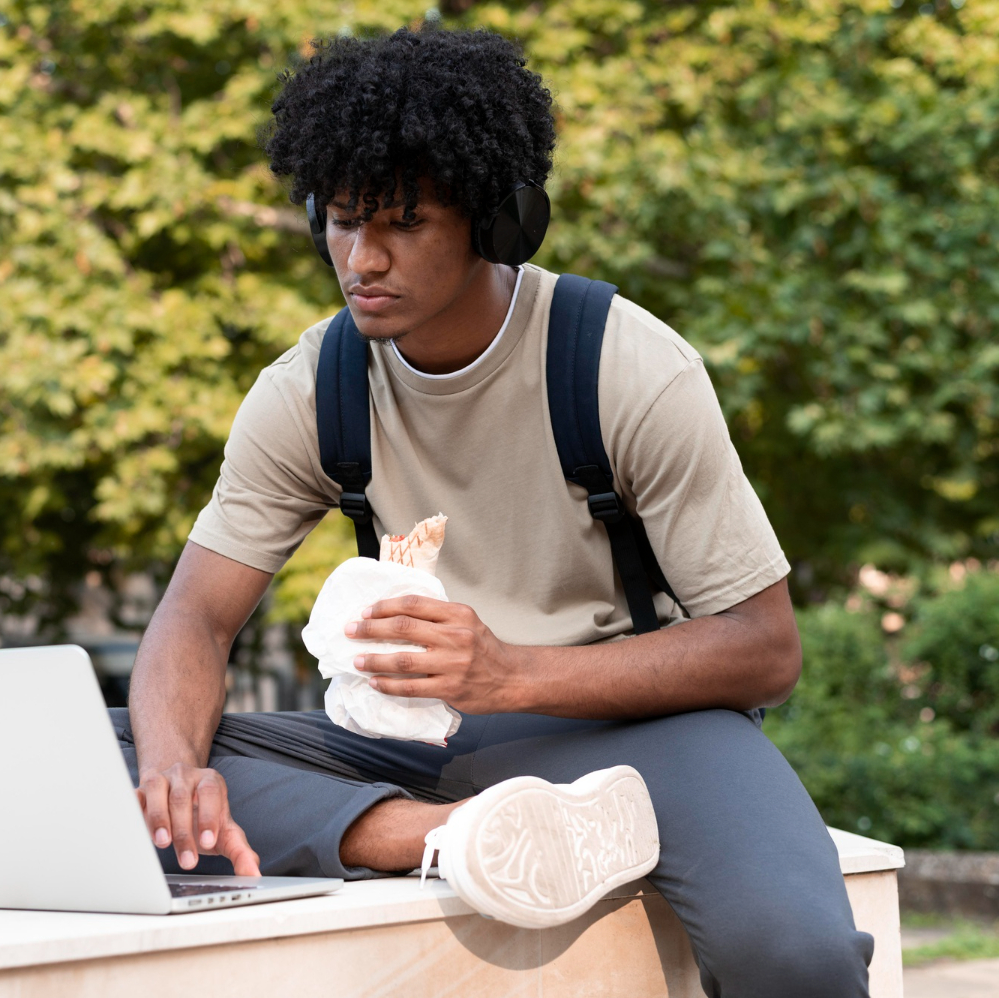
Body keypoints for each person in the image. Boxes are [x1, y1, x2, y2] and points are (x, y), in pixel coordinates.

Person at [115, 26, 873, 997]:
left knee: (796, 956)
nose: (362, 257)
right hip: (410, 744)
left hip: (644, 734)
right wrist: (177, 768)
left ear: (498, 222)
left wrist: (509, 670)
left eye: (402, 222)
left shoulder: (620, 363)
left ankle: (500, 825)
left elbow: (766, 648)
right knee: (109, 749)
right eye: (342, 222)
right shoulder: (311, 387)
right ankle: (439, 835)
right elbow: (194, 617)